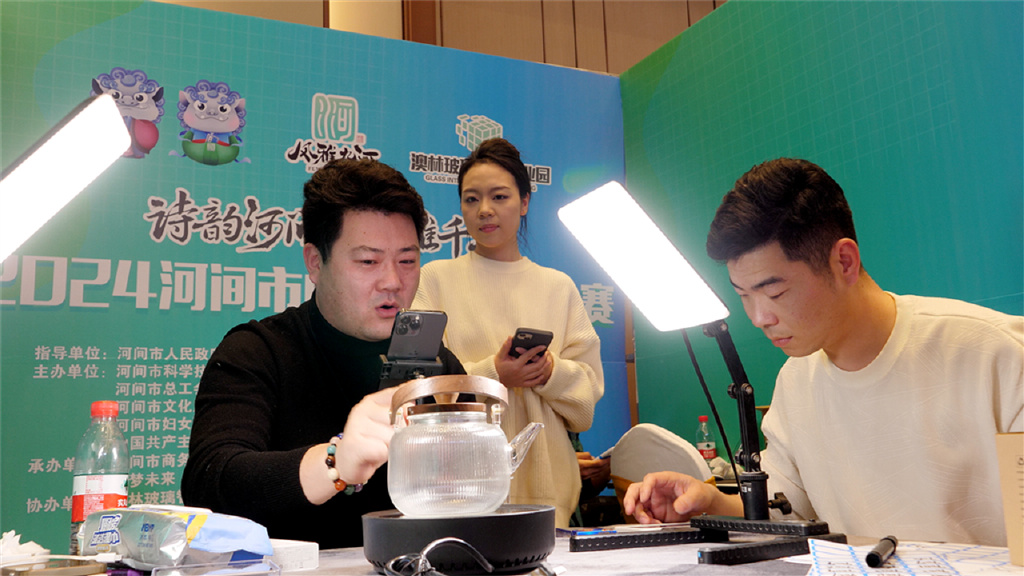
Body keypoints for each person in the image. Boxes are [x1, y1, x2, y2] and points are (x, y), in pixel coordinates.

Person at [623, 158, 1022, 546]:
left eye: (775, 292)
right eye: (743, 295)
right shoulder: (797, 379)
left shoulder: (996, 356)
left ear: (844, 262)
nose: (759, 317)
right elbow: (786, 510)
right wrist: (709, 502)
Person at [181, 159, 466, 548]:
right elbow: (210, 481)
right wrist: (336, 462)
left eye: (407, 261)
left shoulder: (436, 365)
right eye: (368, 261)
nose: (393, 282)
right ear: (315, 263)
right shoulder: (257, 351)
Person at [412, 138, 604, 528]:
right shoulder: (434, 280)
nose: (484, 210)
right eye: (471, 199)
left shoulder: (558, 287)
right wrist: (495, 375)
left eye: (499, 196)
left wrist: (549, 372)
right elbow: (417, 387)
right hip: (458, 492)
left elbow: (584, 407)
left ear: (525, 202)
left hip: (549, 498)